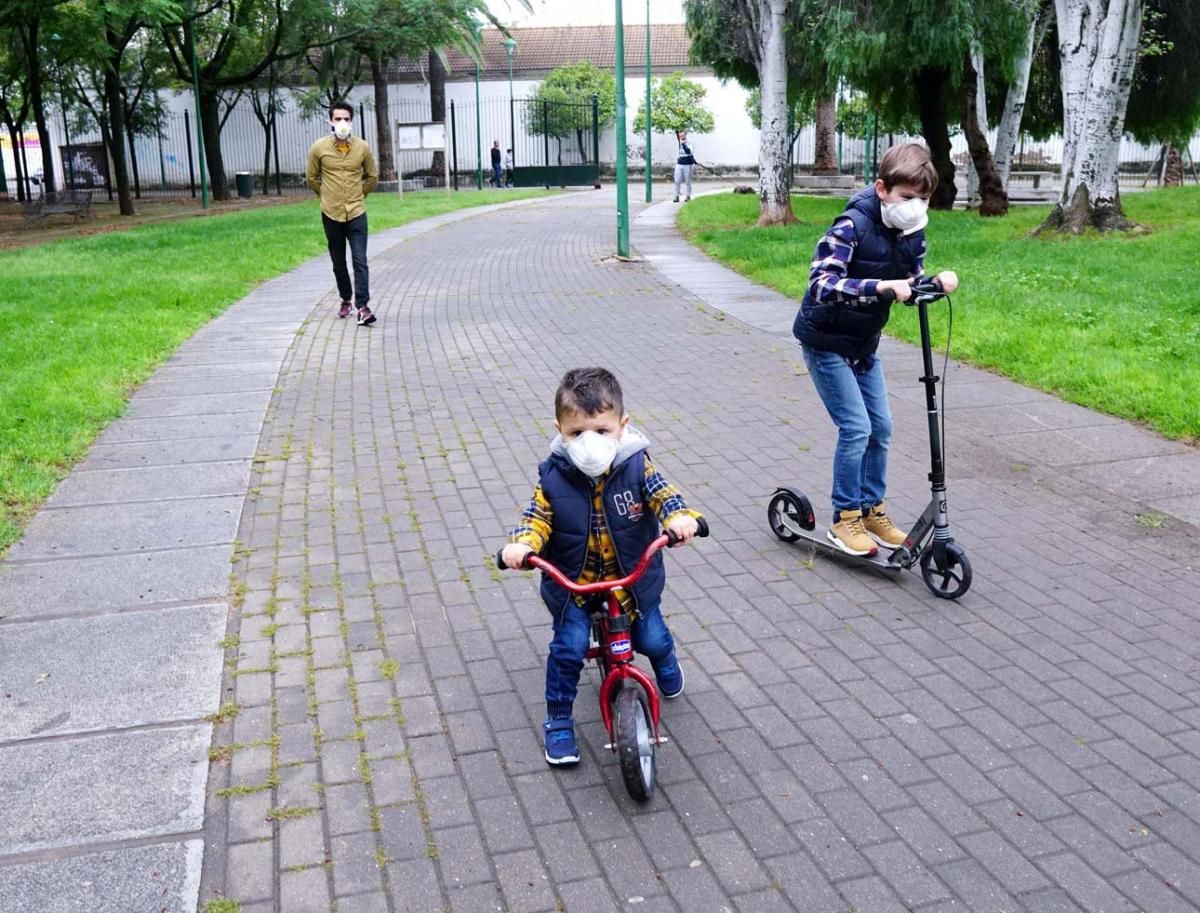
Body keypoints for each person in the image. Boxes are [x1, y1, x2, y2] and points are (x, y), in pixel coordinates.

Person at [501, 367, 702, 767]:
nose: (589, 442)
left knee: (653, 638)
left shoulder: (636, 465)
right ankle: (559, 719)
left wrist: (679, 518)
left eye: (601, 430)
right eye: (576, 433)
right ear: (559, 430)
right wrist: (523, 545)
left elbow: (663, 494)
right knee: (568, 649)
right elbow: (537, 516)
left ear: (622, 426)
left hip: (631, 584)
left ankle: (665, 662)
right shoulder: (554, 476)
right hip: (574, 585)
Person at [792, 143, 958, 557]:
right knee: (856, 429)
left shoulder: (911, 229)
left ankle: (871, 511)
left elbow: (910, 279)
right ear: (882, 189)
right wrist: (879, 287)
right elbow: (821, 284)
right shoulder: (850, 226)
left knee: (881, 429)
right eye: (907, 197)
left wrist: (934, 283)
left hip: (864, 343)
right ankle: (845, 519)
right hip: (826, 341)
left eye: (922, 199)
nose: (915, 207)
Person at [306, 100, 378, 326]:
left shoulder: (362, 147)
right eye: (338, 119)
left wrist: (359, 194)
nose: (342, 123)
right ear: (330, 121)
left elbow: (372, 176)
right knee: (338, 261)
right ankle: (345, 298)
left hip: (356, 212)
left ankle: (363, 307)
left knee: (360, 260)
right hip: (331, 213)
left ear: (352, 121)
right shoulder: (319, 148)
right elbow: (311, 178)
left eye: (346, 119)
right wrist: (327, 194)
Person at [673, 130, 695, 203]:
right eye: (680, 136)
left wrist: (683, 144)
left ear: (686, 135)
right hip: (679, 163)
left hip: (688, 164)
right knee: (677, 181)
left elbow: (689, 152)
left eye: (683, 135)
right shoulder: (679, 141)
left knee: (688, 181)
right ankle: (676, 196)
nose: (681, 137)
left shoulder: (689, 142)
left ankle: (688, 196)